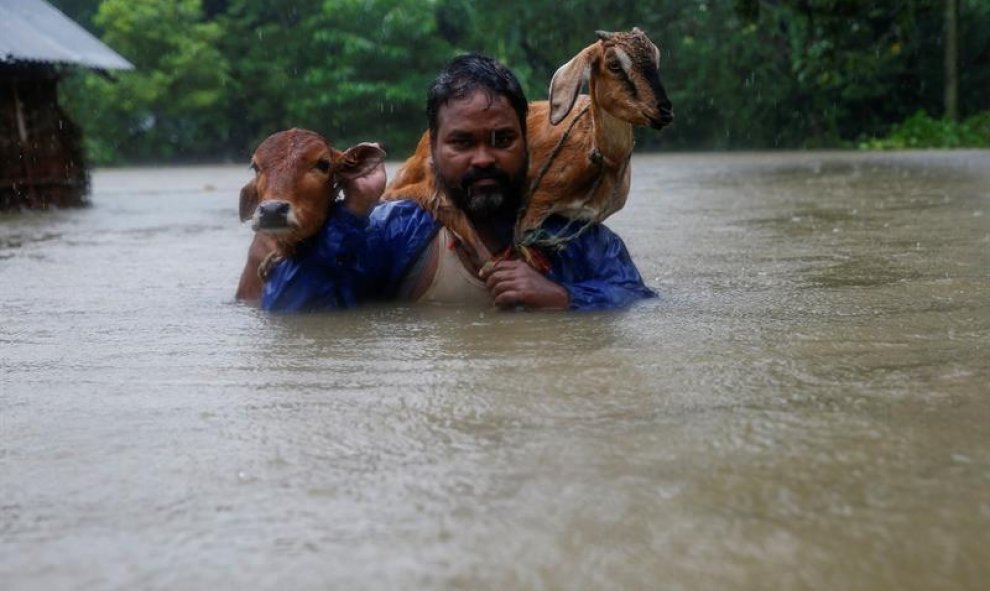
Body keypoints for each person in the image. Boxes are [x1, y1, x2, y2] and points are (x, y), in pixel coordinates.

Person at [261, 54, 656, 312]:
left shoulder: (576, 238)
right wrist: (352, 212)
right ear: (433, 148)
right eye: (462, 142)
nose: (484, 158)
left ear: (526, 141)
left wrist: (564, 298)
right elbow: (292, 313)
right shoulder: (395, 230)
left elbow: (642, 304)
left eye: (502, 140)